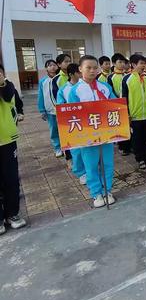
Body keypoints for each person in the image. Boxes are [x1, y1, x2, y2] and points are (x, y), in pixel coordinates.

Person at [67, 55, 116, 208]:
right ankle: (96, 193)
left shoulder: (105, 87)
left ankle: (107, 190)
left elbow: (115, 105)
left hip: (106, 134)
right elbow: (72, 114)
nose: (92, 71)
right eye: (88, 67)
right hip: (87, 136)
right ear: (80, 69)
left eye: (95, 68)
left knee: (107, 163)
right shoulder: (75, 91)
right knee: (91, 165)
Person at [0, 64, 26, 235]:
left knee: (11, 179)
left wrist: (3, 83)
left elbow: (12, 99)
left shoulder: (7, 88)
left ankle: (12, 214)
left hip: (7, 141)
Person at [121, 54, 146, 170]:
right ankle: (140, 158)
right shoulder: (127, 79)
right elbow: (123, 98)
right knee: (137, 139)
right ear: (134, 64)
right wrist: (127, 114)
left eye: (144, 63)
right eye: (141, 63)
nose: (144, 66)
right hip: (135, 117)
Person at [56, 63, 86, 185]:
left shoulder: (85, 86)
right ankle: (81, 172)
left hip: (87, 121)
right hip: (73, 123)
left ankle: (90, 170)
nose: (80, 74)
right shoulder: (64, 89)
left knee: (88, 147)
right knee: (76, 149)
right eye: (78, 73)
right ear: (71, 74)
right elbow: (60, 106)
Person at [38, 59, 62, 157]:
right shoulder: (43, 81)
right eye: (50, 65)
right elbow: (41, 96)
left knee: (64, 129)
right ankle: (57, 148)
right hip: (50, 110)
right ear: (46, 68)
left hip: (62, 109)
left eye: (54, 65)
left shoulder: (60, 78)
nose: (52, 67)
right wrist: (42, 110)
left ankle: (66, 146)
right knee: (54, 130)